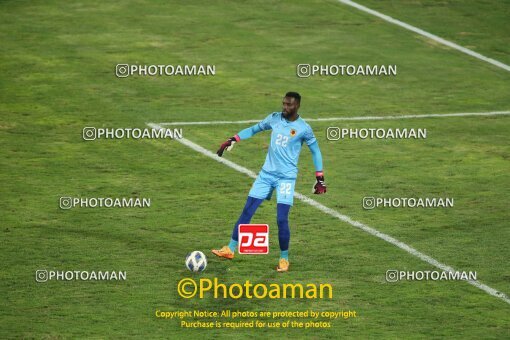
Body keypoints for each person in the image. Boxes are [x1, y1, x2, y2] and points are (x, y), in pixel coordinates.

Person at [212, 92, 326, 272]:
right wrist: (233, 139)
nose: (285, 108)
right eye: (283, 104)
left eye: (289, 105)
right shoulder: (274, 118)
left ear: (297, 106)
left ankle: (284, 258)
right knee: (247, 210)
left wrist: (320, 177)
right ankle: (230, 249)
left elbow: (316, 151)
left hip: (286, 179)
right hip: (266, 175)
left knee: (281, 219)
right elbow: (254, 129)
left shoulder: (304, 128)